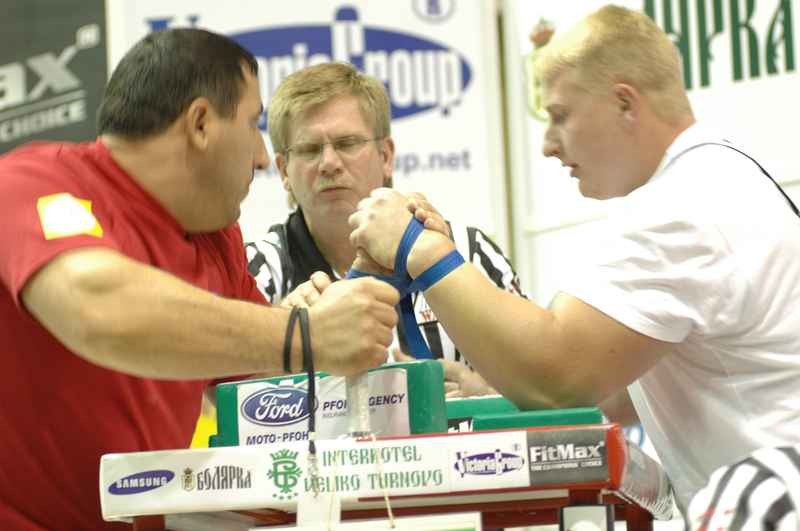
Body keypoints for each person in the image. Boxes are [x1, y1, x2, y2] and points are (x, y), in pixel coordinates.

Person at [348, 4, 800, 514]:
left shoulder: (681, 207)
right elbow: (617, 392)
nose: (545, 144)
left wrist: (420, 249)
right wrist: (494, 386)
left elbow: (557, 374)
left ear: (624, 103)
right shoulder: (720, 176)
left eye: (560, 115)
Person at [0, 29, 398, 530]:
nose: (259, 156)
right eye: (253, 125)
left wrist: (363, 282)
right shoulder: (31, 183)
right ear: (202, 123)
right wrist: (304, 334)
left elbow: (260, 378)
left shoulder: (214, 235)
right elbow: (98, 308)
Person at [246, 62, 525, 396]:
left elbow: (545, 379)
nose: (330, 163)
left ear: (386, 156)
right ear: (283, 171)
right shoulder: (256, 270)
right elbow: (217, 399)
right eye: (308, 149)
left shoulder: (470, 251)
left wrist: (485, 395)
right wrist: (287, 336)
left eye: (347, 143)